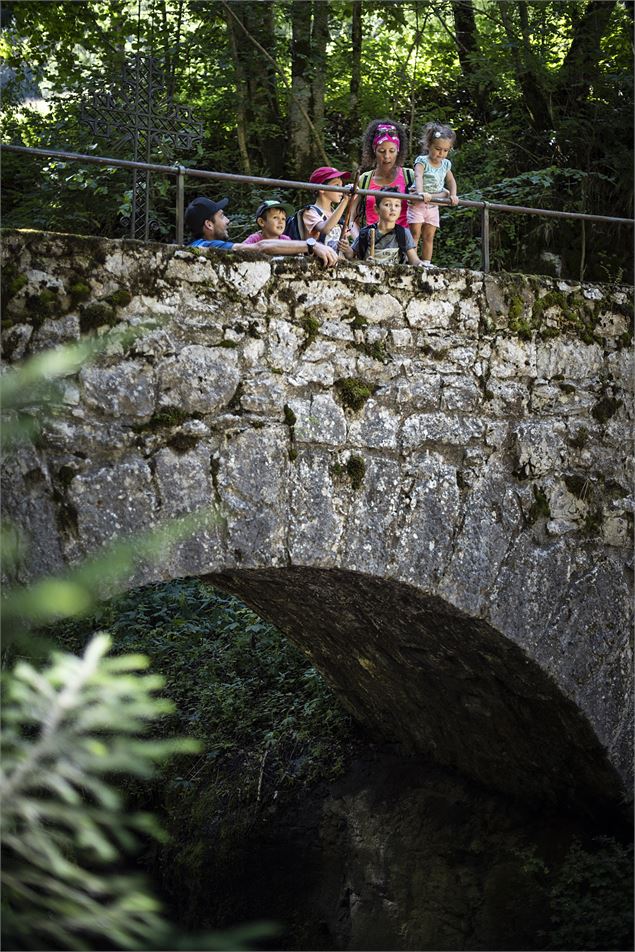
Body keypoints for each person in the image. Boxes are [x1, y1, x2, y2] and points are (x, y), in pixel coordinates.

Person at [184, 196, 338, 267]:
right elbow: (259, 247)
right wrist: (312, 245)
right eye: (222, 216)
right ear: (209, 225)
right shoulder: (207, 246)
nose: (227, 221)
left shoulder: (202, 245)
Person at [347, 119, 414, 237]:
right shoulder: (365, 179)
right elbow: (351, 218)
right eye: (382, 151)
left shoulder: (410, 176)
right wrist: (360, 243)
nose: (387, 156)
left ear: (398, 151)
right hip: (371, 246)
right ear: (374, 151)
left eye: (392, 151)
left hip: (402, 247)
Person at [407, 122, 459, 268]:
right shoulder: (422, 161)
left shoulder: (446, 164)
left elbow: (451, 180)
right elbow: (418, 177)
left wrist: (453, 195)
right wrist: (421, 192)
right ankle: (412, 262)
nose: (441, 153)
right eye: (437, 149)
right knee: (415, 233)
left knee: (429, 235)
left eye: (445, 150)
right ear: (429, 145)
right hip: (418, 202)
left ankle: (427, 262)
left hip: (433, 205)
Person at [339, 187, 426, 267]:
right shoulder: (366, 233)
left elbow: (414, 261)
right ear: (377, 209)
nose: (393, 209)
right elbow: (351, 254)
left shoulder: (403, 233)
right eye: (387, 204)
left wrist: (423, 265)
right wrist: (346, 248)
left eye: (397, 205)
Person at [300, 166, 351, 252]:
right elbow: (325, 229)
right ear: (321, 189)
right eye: (337, 185)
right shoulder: (310, 212)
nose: (341, 190)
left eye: (342, 186)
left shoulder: (336, 213)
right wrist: (345, 200)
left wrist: (346, 248)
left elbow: (349, 254)